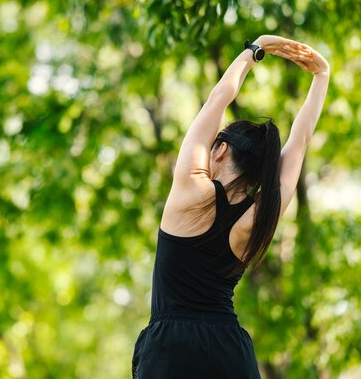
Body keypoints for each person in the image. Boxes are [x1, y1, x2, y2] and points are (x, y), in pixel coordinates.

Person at [131, 35, 330, 378]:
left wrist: (256, 49)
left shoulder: (190, 189)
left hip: (172, 350)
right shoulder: (262, 214)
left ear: (220, 149)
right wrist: (321, 76)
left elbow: (217, 101)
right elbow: (300, 141)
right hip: (229, 352)